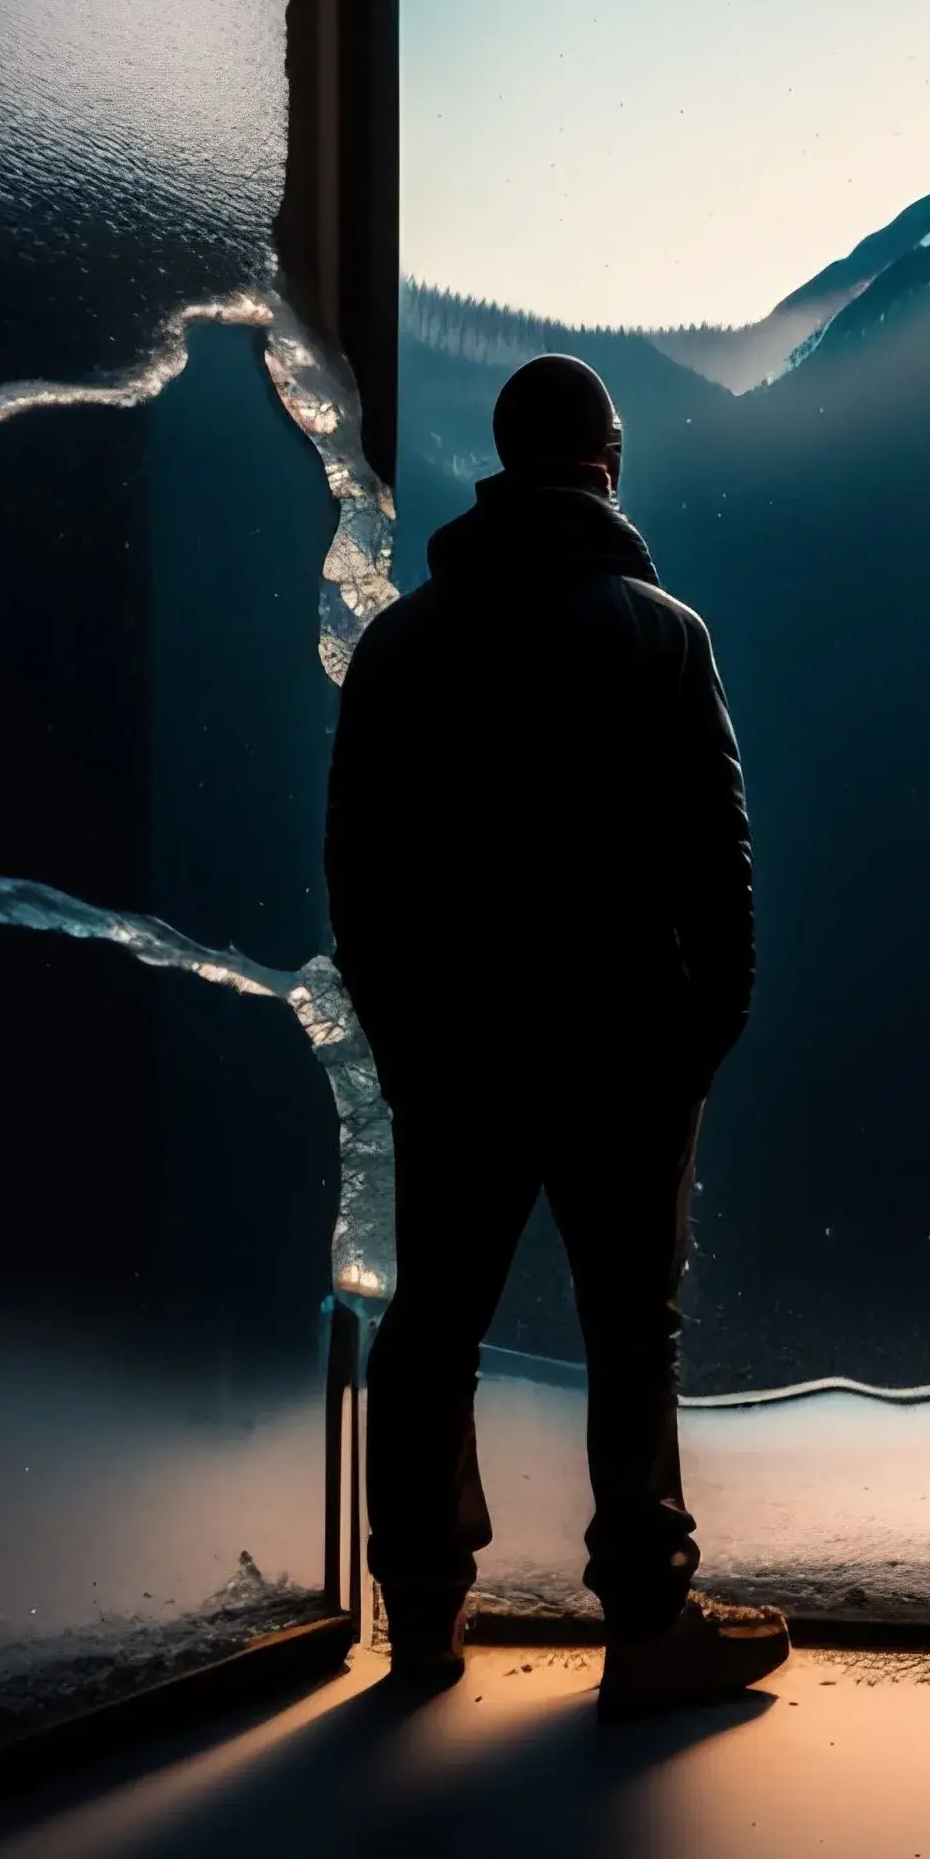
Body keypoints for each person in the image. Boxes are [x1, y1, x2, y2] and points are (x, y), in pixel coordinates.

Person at [324, 352, 789, 1712]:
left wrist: (401, 1027)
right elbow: (720, 858)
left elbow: (357, 869)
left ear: (506, 462)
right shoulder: (661, 634)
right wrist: (706, 1029)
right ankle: (647, 1623)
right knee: (631, 1327)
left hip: (453, 1047)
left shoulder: (403, 645)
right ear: (606, 464)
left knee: (436, 1326)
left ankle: (421, 1611)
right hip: (627, 1046)